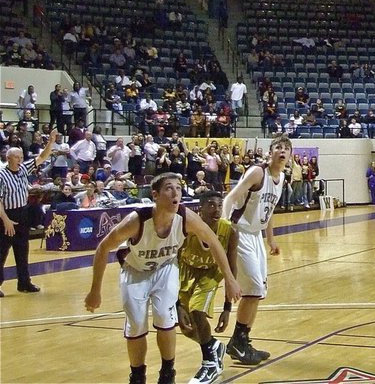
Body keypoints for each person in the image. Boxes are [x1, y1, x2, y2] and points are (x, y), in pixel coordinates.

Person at [84, 172, 242, 384]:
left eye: (178, 188)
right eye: (169, 188)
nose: (175, 193)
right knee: (136, 325)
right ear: (155, 195)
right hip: (135, 271)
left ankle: (168, 374)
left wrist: (230, 280)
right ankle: (137, 375)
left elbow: (213, 242)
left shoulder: (186, 218)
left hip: (165, 269)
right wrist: (95, 291)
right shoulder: (136, 221)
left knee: (165, 320)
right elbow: (103, 248)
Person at [222, 134, 288, 365]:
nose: (282, 151)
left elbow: (268, 212)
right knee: (252, 290)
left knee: (258, 292)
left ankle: (241, 341)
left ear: (289, 155)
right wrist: (223, 226)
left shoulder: (281, 179)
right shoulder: (257, 173)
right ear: (270, 152)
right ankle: (238, 343)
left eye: (286, 148)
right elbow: (230, 198)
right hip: (239, 232)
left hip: (256, 237)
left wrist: (271, 240)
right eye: (278, 147)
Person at [177, 191, 239, 384]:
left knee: (197, 311)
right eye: (211, 205)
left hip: (210, 273)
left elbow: (231, 265)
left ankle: (209, 363)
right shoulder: (185, 228)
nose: (217, 209)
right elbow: (171, 261)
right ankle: (214, 346)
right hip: (185, 272)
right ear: (200, 209)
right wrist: (177, 303)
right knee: (187, 328)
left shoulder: (229, 230)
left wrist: (228, 308)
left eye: (220, 205)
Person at [0, 130, 58, 296]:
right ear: (9, 158)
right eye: (17, 157)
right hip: (6, 215)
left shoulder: (24, 169)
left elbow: (42, 158)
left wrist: (51, 142)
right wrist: (6, 220)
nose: (20, 159)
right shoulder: (2, 175)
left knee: (22, 250)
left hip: (22, 213)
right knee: (2, 252)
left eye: (21, 157)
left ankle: (24, 283)